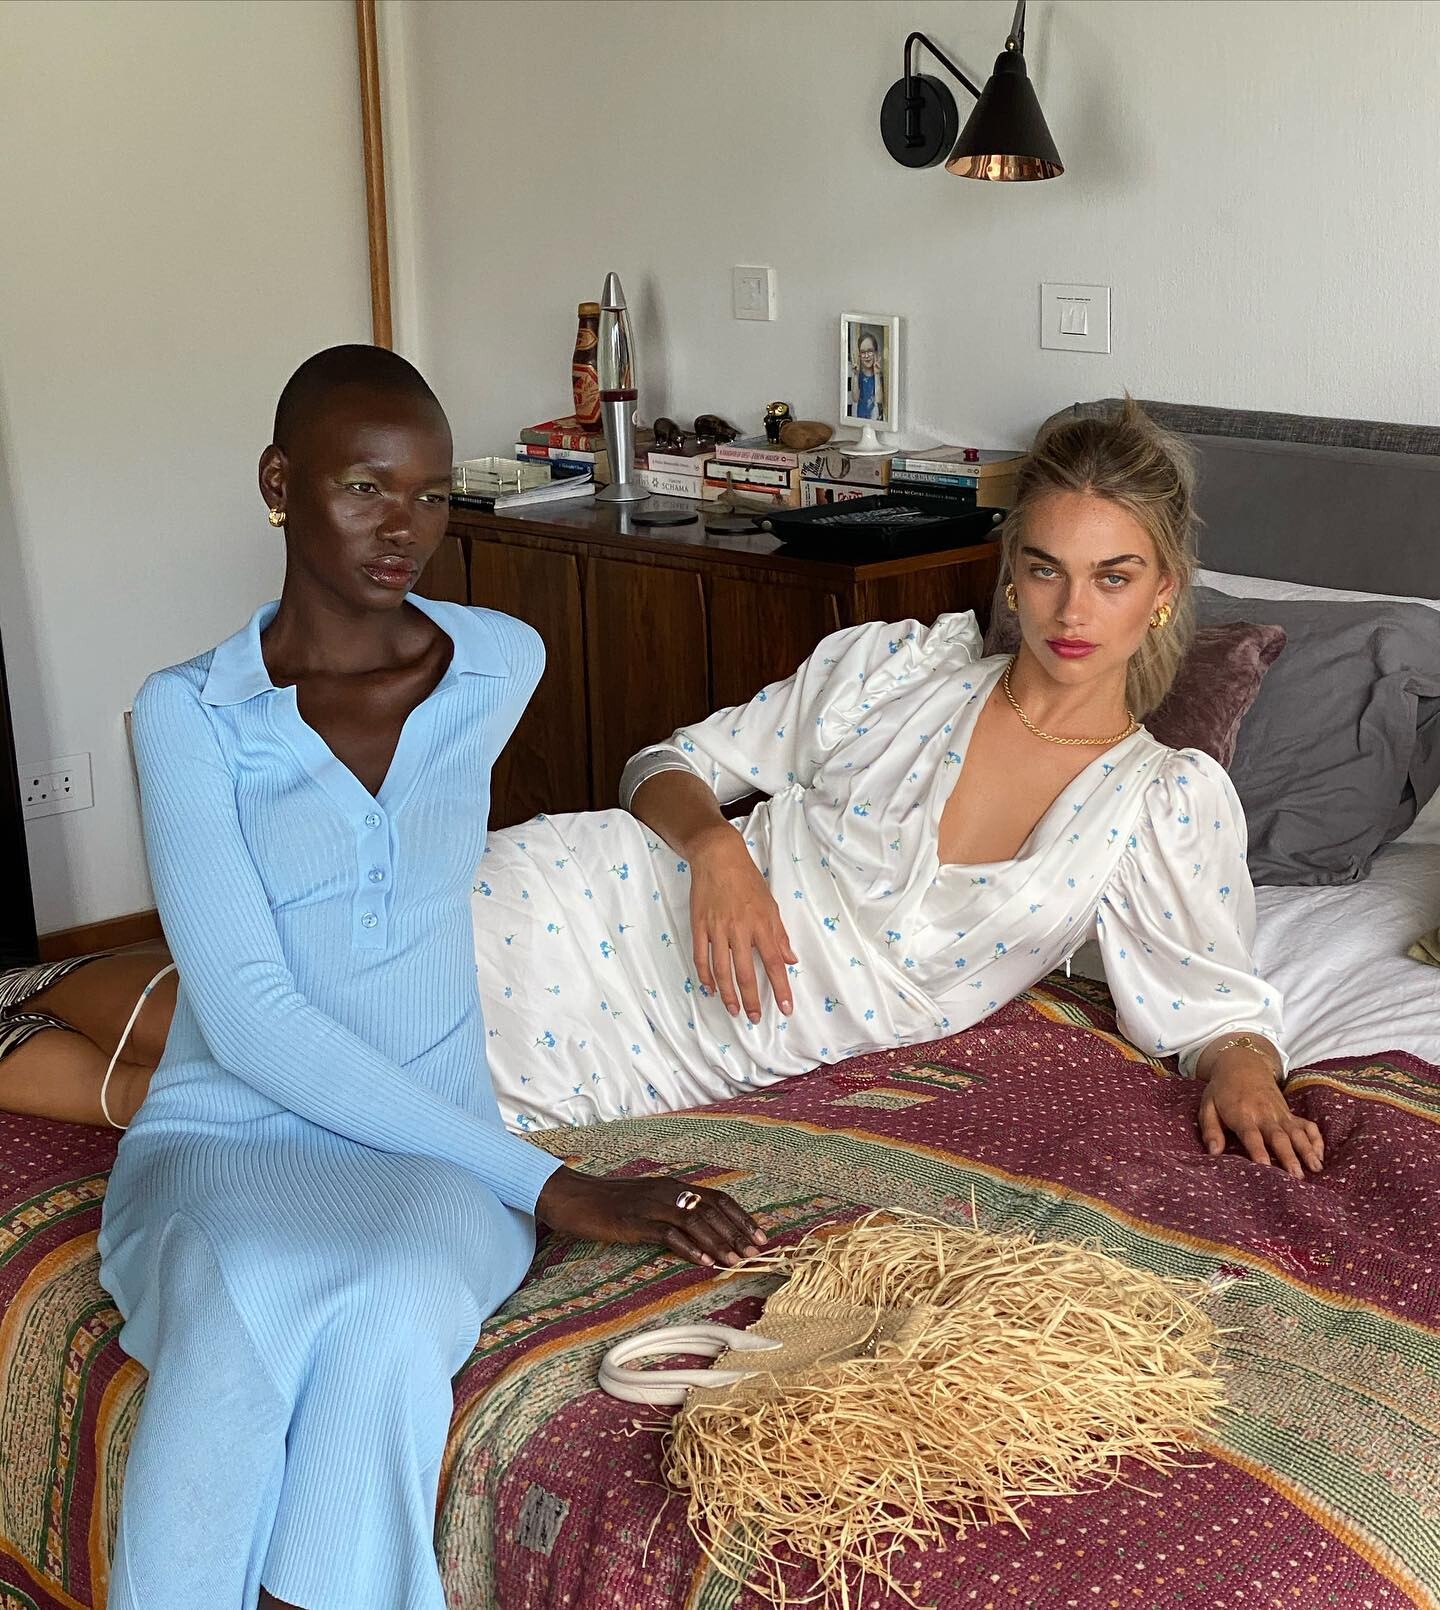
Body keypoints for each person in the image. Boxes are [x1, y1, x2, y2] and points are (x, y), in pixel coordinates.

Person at [1, 402, 1322, 1179]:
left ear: (1162, 590)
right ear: (1011, 573)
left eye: (1111, 576)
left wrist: (1248, 1070)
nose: (1072, 608)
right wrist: (721, 854)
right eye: (1044, 568)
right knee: (286, 999)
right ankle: (34, 991)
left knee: (311, 1096)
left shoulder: (1160, 801)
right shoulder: (897, 671)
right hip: (598, 904)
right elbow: (666, 764)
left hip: (684, 1043)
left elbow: (1214, 999)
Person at [81, 345, 762, 1610]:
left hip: (433, 1146)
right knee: (235, 1314)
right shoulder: (190, 715)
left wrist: (501, 1172)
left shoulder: (502, 663)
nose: (405, 529)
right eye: (364, 489)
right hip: (228, 1132)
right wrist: (557, 1185)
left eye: (432, 494)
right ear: (278, 484)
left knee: (394, 1310)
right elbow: (251, 1019)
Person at [849, 328, 885, 420]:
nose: (866, 356)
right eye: (863, 352)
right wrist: (855, 375)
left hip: (875, 420)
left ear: (876, 353)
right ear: (859, 355)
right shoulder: (858, 375)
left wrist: (876, 374)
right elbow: (855, 398)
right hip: (860, 419)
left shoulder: (880, 376)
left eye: (870, 351)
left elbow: (879, 400)